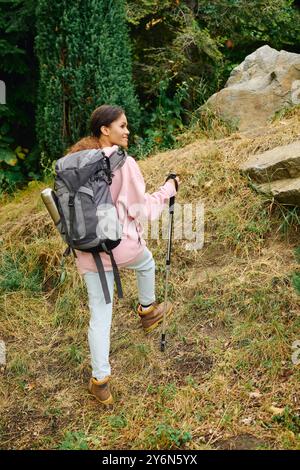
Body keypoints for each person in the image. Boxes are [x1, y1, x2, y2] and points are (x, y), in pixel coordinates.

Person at [68, 104, 180, 406]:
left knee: (100, 314)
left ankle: (101, 381)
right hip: (120, 246)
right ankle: (147, 311)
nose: (127, 131)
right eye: (122, 125)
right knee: (147, 262)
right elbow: (141, 210)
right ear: (105, 129)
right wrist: (167, 190)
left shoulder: (75, 161)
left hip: (87, 250)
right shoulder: (122, 163)